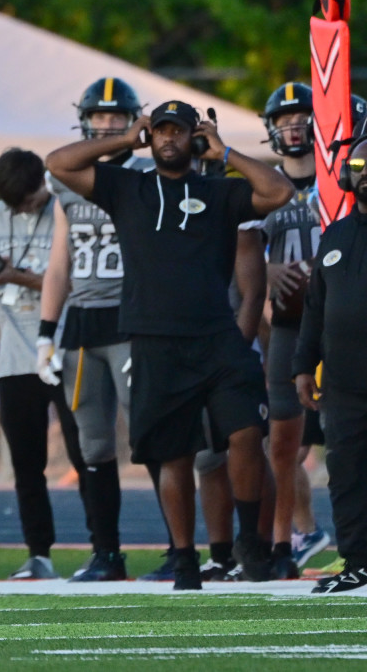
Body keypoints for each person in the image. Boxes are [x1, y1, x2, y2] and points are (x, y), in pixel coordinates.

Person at [46, 99, 293, 590]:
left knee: (247, 434)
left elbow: (279, 190)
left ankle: (249, 542)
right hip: (155, 339)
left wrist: (227, 153)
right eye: (160, 130)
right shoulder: (128, 187)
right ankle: (183, 557)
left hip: (217, 337)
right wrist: (122, 139)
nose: (168, 138)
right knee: (172, 455)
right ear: (150, 135)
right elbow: (58, 164)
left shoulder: (219, 191)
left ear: (192, 138)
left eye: (177, 131)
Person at [38, 77, 153, 582]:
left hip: (133, 318)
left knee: (153, 437)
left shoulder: (149, 174)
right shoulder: (68, 178)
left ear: (133, 123)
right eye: (98, 118)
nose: (106, 126)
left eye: (115, 118)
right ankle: (106, 552)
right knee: (93, 447)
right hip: (83, 324)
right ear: (84, 121)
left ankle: (182, 548)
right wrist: (46, 329)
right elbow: (60, 260)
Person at [0, 148, 88, 579]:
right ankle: (39, 554)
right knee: (26, 466)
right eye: (14, 203)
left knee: (85, 452)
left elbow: (70, 284)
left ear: (44, 183)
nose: (23, 208)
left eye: (30, 199)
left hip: (66, 351)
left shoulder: (66, 210)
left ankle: (103, 549)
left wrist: (15, 275)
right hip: (15, 358)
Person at [258, 82, 329, 578]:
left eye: (301, 116)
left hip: (341, 325)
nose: (294, 126)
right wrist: (266, 274)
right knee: (283, 442)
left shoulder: (341, 180)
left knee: (346, 439)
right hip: (284, 325)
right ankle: (284, 541)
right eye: (283, 120)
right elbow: (236, 252)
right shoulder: (260, 187)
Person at [295, 135, 367, 593]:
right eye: (360, 162)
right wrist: (304, 365)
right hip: (342, 383)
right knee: (345, 474)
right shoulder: (336, 234)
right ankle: (358, 562)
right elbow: (315, 308)